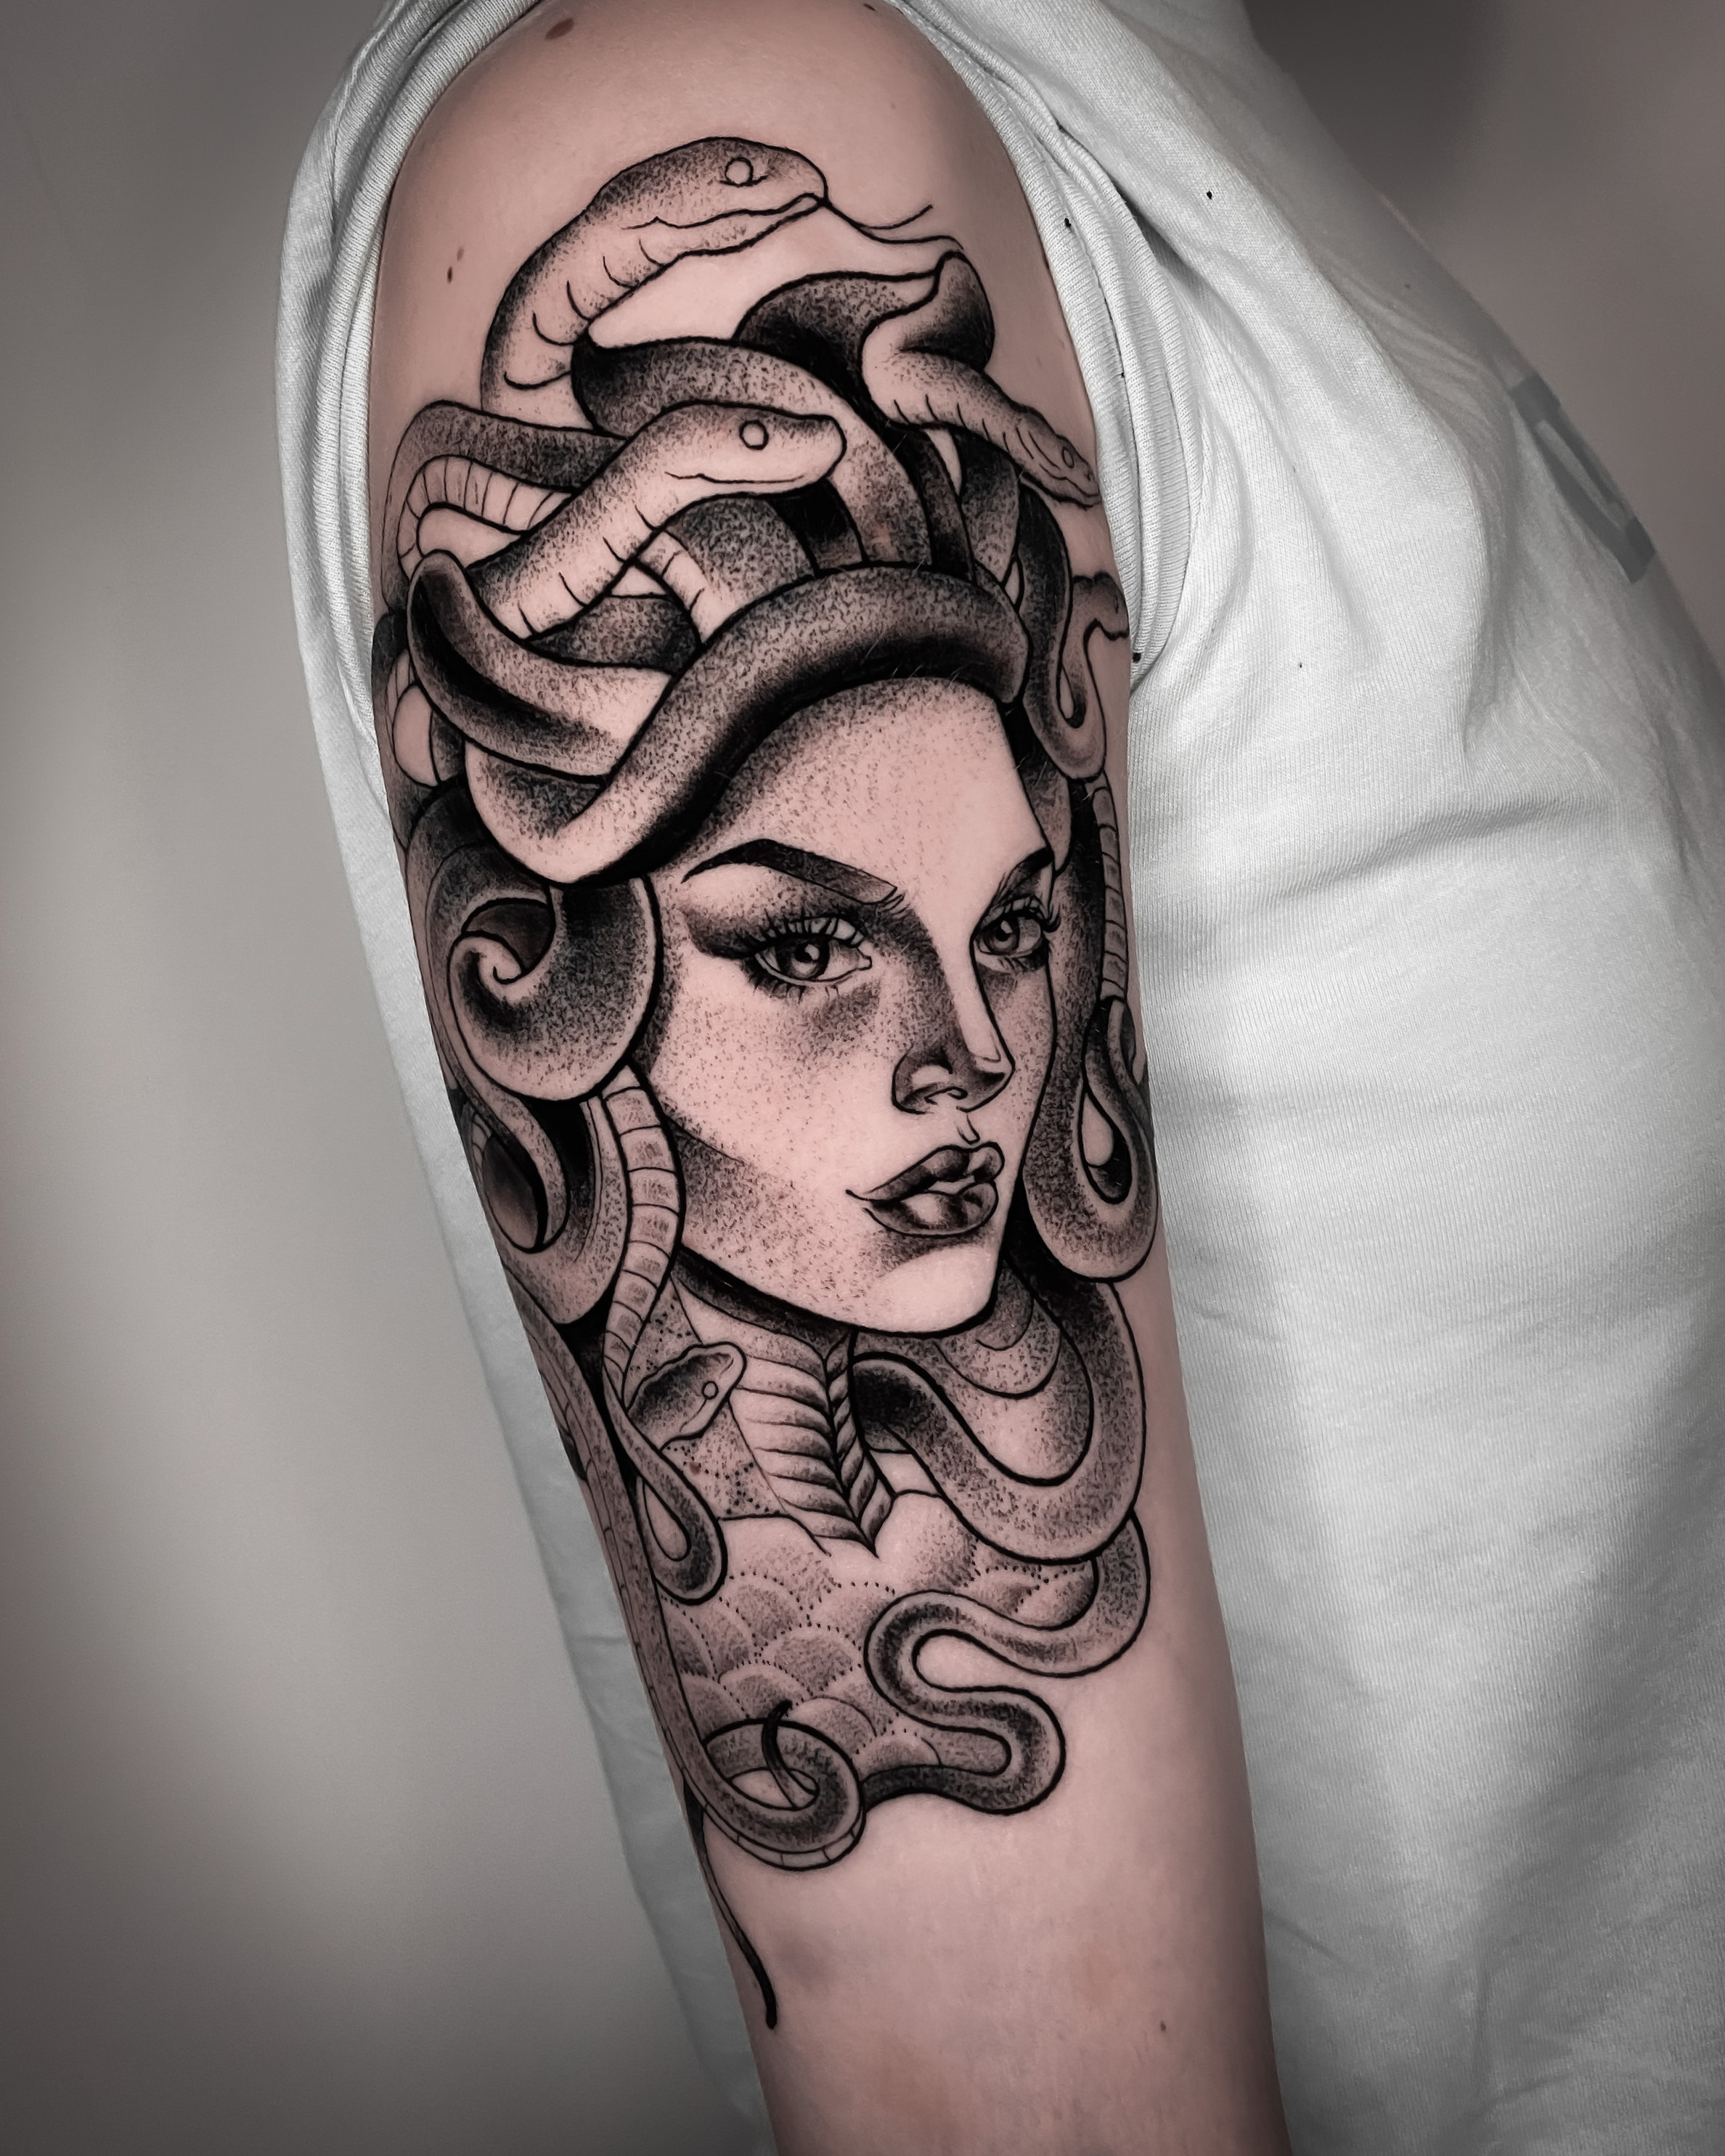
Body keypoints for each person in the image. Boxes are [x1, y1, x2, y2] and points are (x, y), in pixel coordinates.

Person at [280, 0, 1725, 2149]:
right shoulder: (718, 104)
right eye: (807, 946)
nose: (967, 1059)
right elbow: (1006, 2105)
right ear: (569, 973)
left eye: (1011, 926)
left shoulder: (1112, 78)